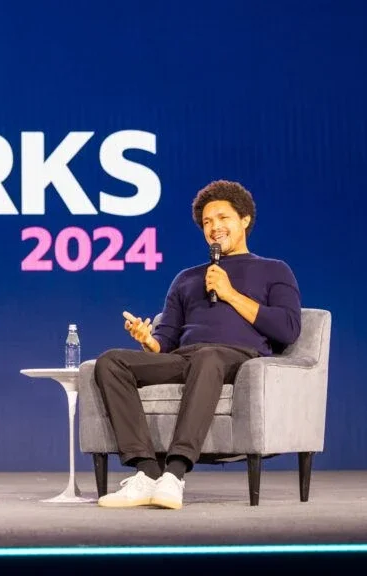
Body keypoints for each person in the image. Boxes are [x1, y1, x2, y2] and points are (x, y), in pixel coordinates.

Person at [94, 180, 300, 510]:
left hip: (237, 358)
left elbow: (288, 329)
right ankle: (147, 474)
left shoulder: (274, 270)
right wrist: (148, 340)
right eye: (207, 222)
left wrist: (230, 294)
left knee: (209, 356)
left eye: (222, 218)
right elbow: (167, 340)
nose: (214, 227)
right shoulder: (187, 278)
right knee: (110, 361)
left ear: (244, 219)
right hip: (186, 358)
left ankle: (174, 475)